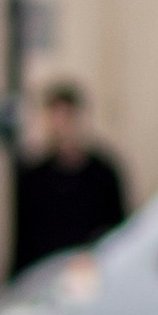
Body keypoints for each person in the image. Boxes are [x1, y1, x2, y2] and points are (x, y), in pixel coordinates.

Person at [11, 79, 128, 274]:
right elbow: (23, 238)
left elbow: (117, 229)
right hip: (45, 273)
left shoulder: (102, 174)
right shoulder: (34, 178)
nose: (61, 125)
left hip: (90, 273)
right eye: (56, 116)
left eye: (66, 116)